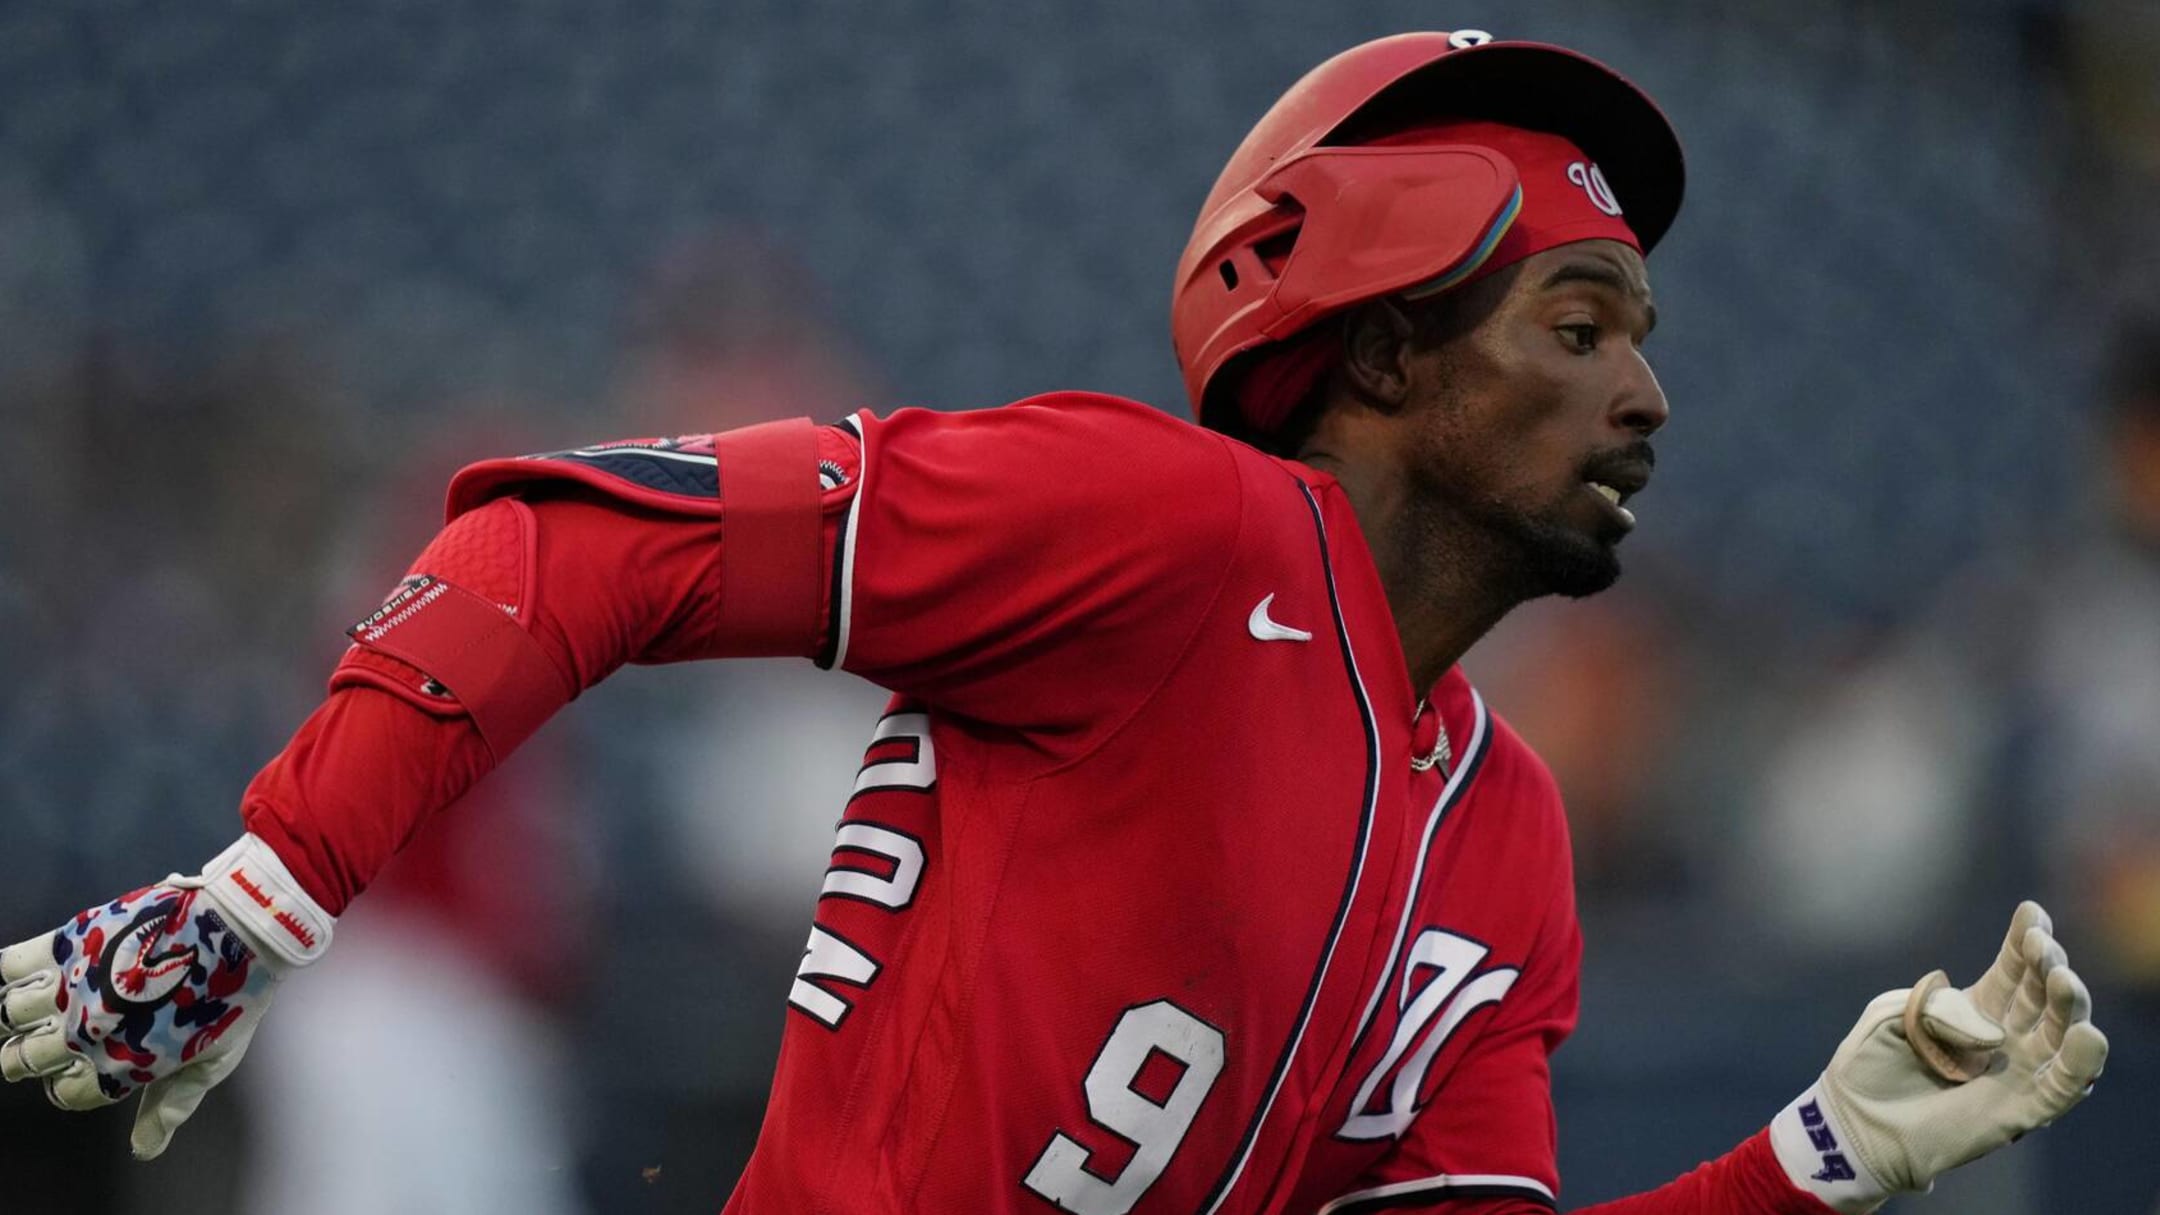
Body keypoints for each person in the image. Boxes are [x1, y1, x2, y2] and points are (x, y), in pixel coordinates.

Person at [0, 31, 2106, 1215]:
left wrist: (1810, 1161)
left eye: (1643, 333)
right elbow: (567, 536)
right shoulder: (1166, 527)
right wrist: (264, 891)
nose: (1647, 394)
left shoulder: (1511, 831)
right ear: (1373, 349)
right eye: (1577, 322)